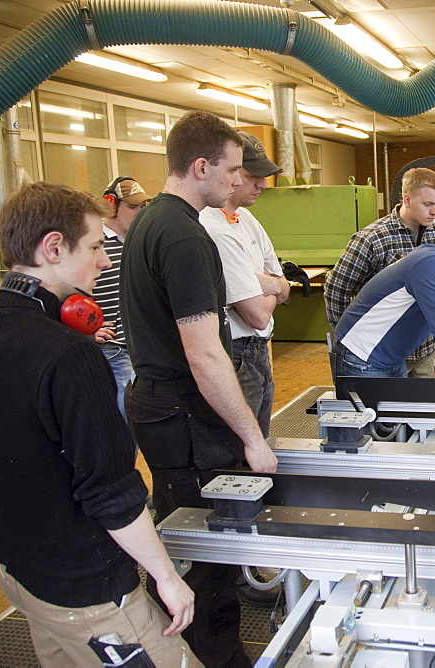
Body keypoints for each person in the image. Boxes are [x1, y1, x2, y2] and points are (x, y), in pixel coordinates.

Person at [0, 181, 198, 666]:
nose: (105, 261)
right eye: (94, 246)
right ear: (53, 247)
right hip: (88, 591)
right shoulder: (69, 356)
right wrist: (166, 578)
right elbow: (111, 490)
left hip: (23, 574)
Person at [121, 110, 277, 668]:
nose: (238, 181)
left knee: (180, 530)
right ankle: (216, 655)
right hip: (186, 414)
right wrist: (252, 440)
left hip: (160, 405)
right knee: (207, 541)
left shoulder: (149, 223)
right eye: (232, 170)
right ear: (201, 165)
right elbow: (205, 352)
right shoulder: (186, 236)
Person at [199, 132, 289, 437]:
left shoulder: (247, 219)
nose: (262, 184)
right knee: (241, 447)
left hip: (259, 351)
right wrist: (271, 286)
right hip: (236, 353)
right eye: (253, 176)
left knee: (260, 437)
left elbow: (284, 285)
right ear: (232, 172)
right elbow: (256, 314)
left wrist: (267, 284)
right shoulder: (210, 226)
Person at [331, 220, 435, 380]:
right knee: (373, 408)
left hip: (391, 357)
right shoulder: (431, 263)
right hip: (360, 356)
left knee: (396, 407)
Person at [325, 167, 435, 377]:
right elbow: (336, 291)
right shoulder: (372, 239)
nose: (434, 211)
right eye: (427, 204)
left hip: (423, 351)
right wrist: (352, 341)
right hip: (380, 354)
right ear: (407, 200)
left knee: (421, 408)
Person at [94, 176, 152, 417]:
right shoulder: (94, 243)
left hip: (137, 348)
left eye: (142, 207)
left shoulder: (138, 242)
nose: (139, 213)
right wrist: (85, 331)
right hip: (110, 349)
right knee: (123, 420)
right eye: (132, 207)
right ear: (111, 205)